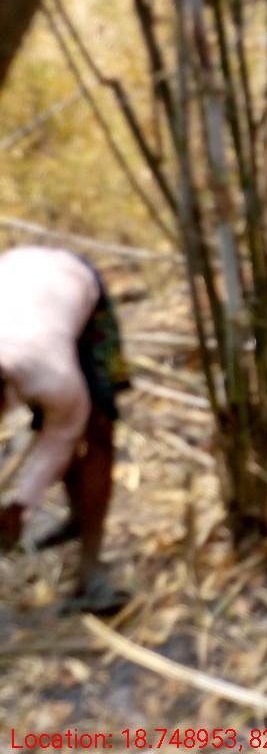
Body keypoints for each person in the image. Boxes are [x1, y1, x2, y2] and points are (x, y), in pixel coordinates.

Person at [0, 246, 131, 613]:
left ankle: (92, 567)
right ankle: (76, 518)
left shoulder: (51, 377)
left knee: (96, 429)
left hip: (73, 280)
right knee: (57, 419)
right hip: (20, 280)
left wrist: (20, 504)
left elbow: (60, 438)